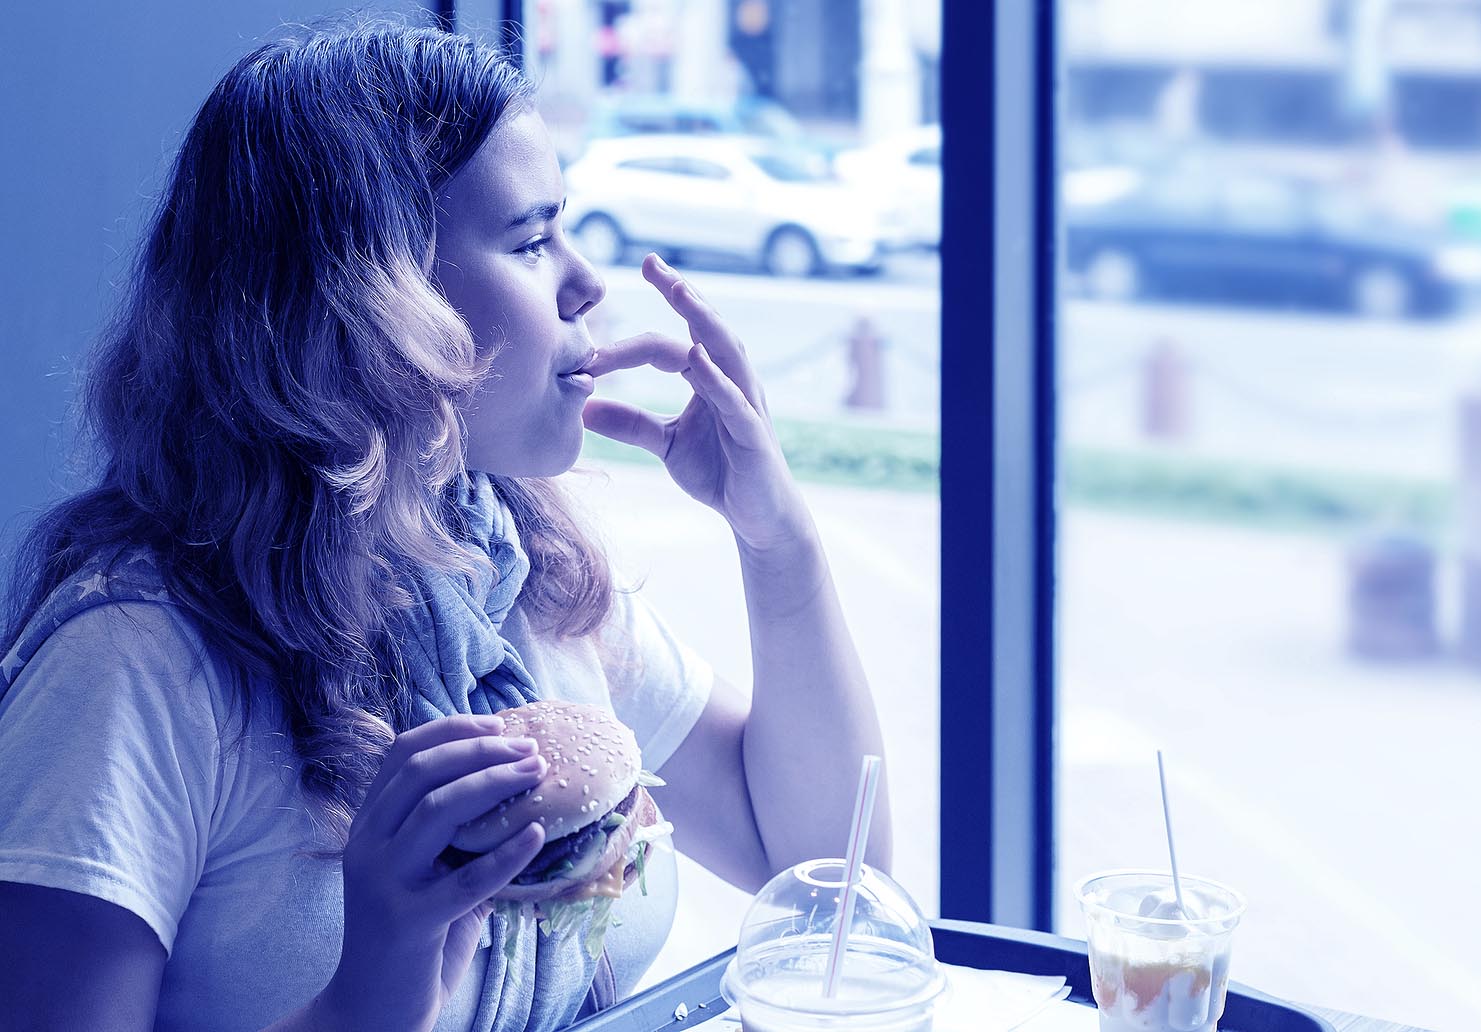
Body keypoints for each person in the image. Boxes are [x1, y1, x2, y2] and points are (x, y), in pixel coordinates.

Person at [0, 19, 890, 1032]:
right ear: (371, 304)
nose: (586, 281)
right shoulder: (131, 667)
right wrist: (368, 990)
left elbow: (821, 869)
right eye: (529, 238)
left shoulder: (512, 568)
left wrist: (779, 543)